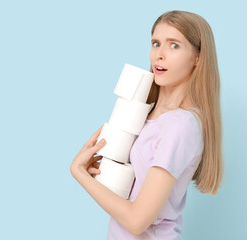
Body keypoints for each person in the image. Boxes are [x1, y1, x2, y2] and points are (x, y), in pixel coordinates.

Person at [70, 10, 224, 239]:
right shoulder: (147, 113)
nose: (159, 55)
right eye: (156, 43)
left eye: (174, 46)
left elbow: (137, 221)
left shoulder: (179, 125)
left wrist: (78, 172)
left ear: (197, 58)